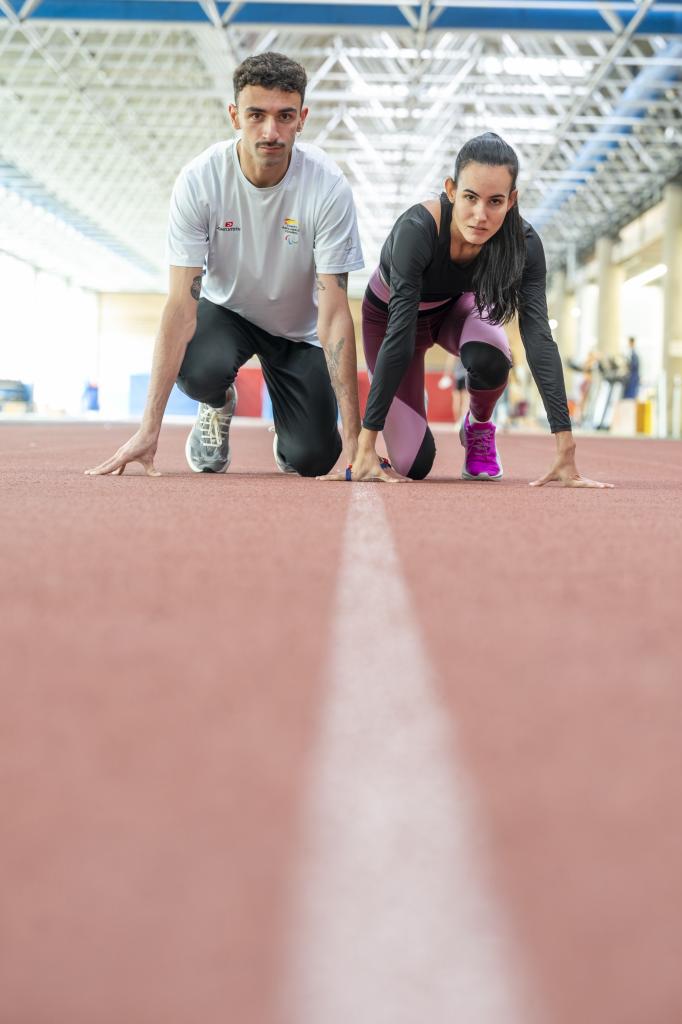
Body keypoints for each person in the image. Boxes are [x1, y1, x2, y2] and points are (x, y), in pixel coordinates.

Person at [86, 52, 363, 479]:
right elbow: (180, 306)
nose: (270, 131)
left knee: (313, 458)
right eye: (256, 115)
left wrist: (354, 441)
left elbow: (335, 313)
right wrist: (148, 429)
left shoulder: (327, 187)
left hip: (298, 332)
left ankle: (292, 433)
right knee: (198, 371)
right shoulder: (200, 181)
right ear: (235, 115)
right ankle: (217, 403)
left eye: (284, 116)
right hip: (227, 313)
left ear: (302, 118)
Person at [337, 132, 612, 488]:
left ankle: (478, 426)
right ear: (451, 189)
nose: (480, 216)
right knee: (412, 464)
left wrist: (565, 444)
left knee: (493, 356)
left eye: (495, 201)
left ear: (512, 201)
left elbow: (539, 340)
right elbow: (399, 335)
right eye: (470, 197)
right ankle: (407, 401)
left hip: (457, 310)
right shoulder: (417, 230)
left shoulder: (523, 245)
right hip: (390, 319)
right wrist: (367, 443)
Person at [437, 353, 469, 429]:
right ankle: (462, 422)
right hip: (467, 375)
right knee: (466, 401)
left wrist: (446, 375)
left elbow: (450, 360)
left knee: (456, 400)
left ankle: (457, 422)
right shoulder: (468, 346)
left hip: (457, 375)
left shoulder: (455, 347)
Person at [623, 336, 640, 400]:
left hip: (633, 377)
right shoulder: (631, 353)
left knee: (631, 396)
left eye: (629, 343)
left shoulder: (634, 354)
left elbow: (634, 366)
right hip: (632, 377)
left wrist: (627, 365)